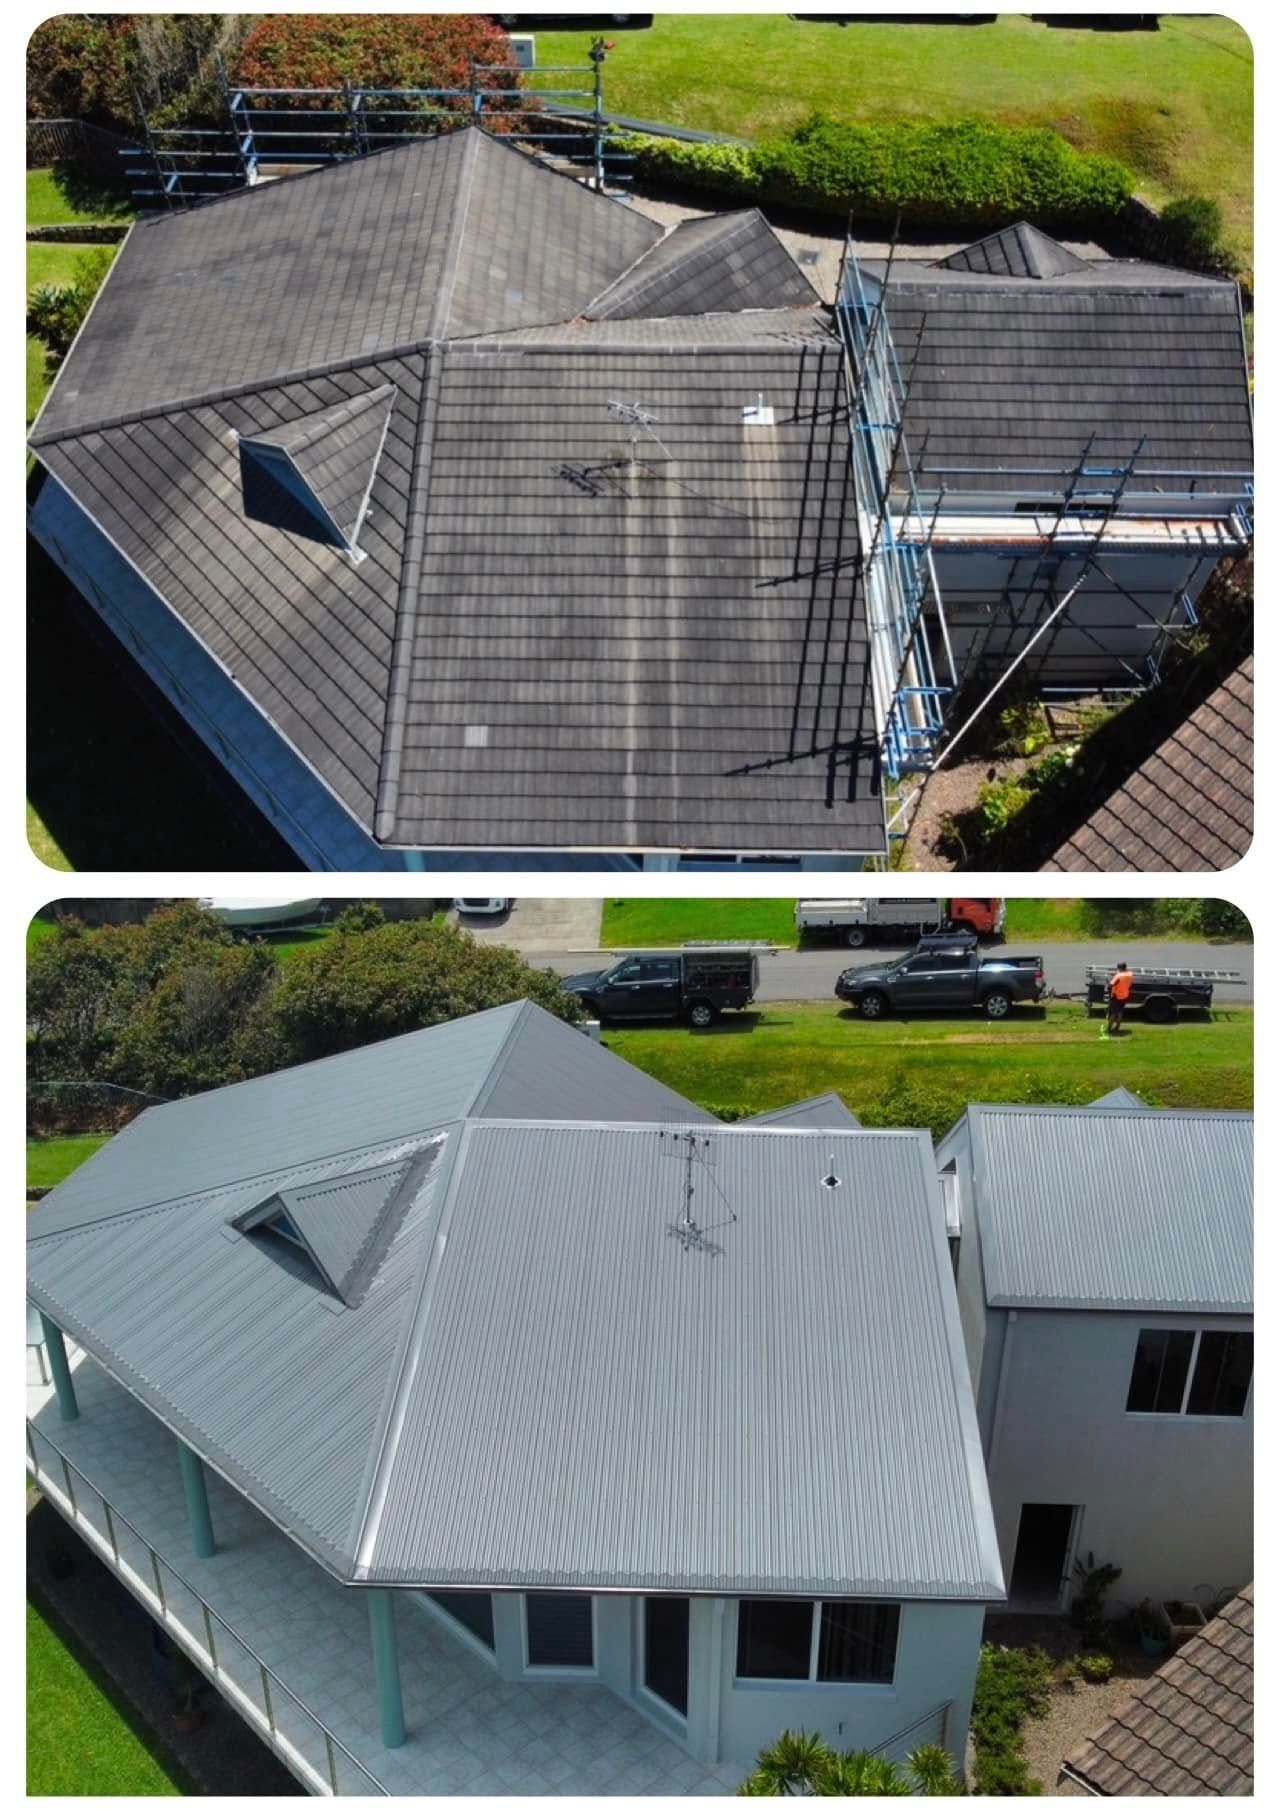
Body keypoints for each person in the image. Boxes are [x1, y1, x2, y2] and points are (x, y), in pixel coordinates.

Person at [1105, 961, 1134, 1036]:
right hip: (1125, 995)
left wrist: (1108, 982)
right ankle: (1117, 1027)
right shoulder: (1130, 974)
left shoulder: (1118, 976)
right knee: (1120, 1012)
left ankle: (1109, 1028)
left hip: (1116, 996)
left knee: (1113, 1013)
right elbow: (1125, 975)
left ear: (1119, 968)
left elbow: (1111, 985)